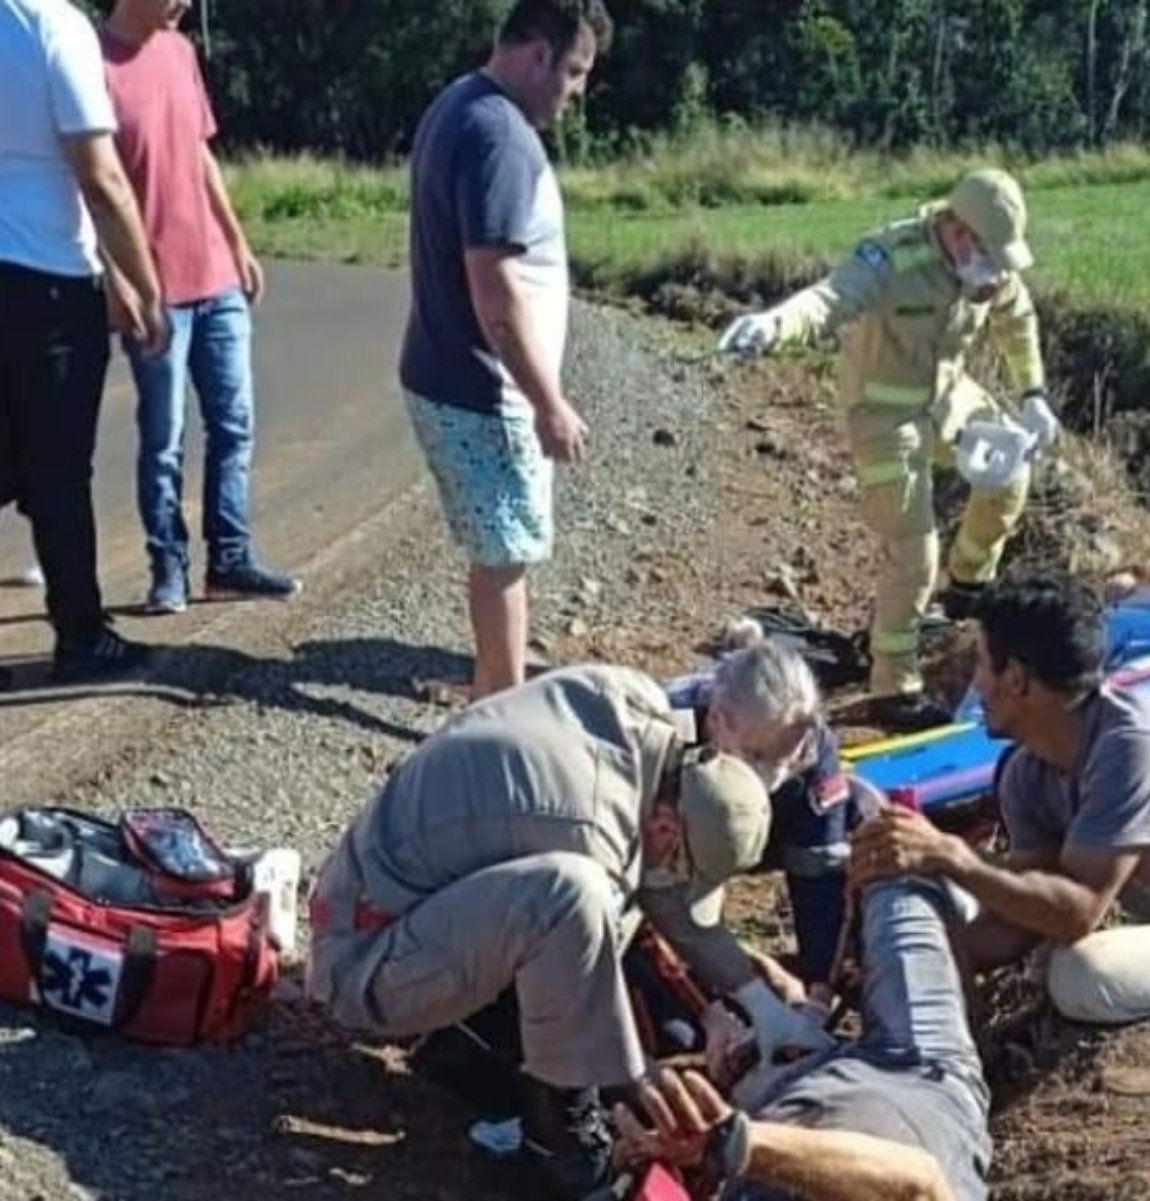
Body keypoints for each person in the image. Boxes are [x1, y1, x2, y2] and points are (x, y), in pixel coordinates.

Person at [307, 664, 832, 1197]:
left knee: (594, 916)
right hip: (361, 957)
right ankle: (559, 1143)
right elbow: (599, 964)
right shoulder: (587, 836)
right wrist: (641, 1082)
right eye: (680, 863)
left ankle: (474, 1040)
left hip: (409, 895)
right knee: (576, 905)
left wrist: (762, 1009)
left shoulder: (646, 724)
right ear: (668, 827)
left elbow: (662, 885)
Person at [718, 169, 1056, 732]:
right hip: (882, 415)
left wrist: (1034, 394)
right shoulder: (889, 258)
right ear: (957, 231)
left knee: (1010, 475)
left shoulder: (989, 269)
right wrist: (772, 326)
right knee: (912, 550)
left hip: (948, 399)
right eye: (989, 255)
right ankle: (893, 688)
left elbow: (1017, 321)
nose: (996, 273)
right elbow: (828, 301)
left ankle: (968, 586)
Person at [852, 570, 1150, 1025]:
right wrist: (890, 966)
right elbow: (1020, 917)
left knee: (1080, 973)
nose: (976, 684)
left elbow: (1076, 912)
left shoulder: (1134, 743)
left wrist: (952, 855)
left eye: (980, 663)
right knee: (971, 909)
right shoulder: (1026, 773)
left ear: (1015, 678)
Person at [399, 0, 610, 700]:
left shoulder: (459, 101)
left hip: (452, 374)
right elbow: (493, 286)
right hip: (484, 389)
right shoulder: (500, 138)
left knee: (499, 546)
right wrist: (548, 402)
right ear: (538, 54)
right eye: (574, 71)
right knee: (505, 553)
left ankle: (496, 677)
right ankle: (499, 709)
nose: (576, 91)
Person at [613, 873, 990, 1201]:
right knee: (896, 875)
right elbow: (917, 1182)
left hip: (765, 1103)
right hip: (917, 1073)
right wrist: (736, 1143)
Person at [102, 0, 299, 615]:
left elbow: (199, 154)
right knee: (163, 438)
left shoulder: (181, 52)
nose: (184, 3)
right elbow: (88, 185)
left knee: (233, 425)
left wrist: (238, 241)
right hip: (153, 287)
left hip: (215, 279)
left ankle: (230, 560)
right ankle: (167, 569)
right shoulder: (91, 65)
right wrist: (117, 280)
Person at [1, 0, 166, 687]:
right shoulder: (53, 25)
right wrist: (145, 284)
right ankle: (80, 634)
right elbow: (99, 175)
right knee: (59, 470)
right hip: (46, 283)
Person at [668, 635, 872, 1009]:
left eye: (784, 760)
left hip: (770, 836)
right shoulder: (669, 732)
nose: (772, 776)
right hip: (685, 848)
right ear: (717, 720)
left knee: (859, 810)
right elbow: (657, 892)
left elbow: (819, 873)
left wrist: (819, 988)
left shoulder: (812, 748)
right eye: (756, 755)